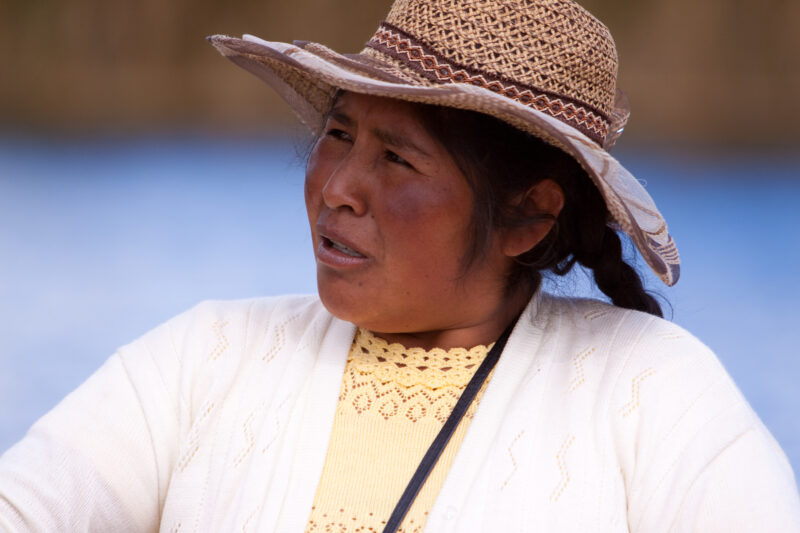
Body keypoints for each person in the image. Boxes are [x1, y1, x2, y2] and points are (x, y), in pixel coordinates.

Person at [1, 0, 799, 531]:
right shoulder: (203, 360)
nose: (337, 188)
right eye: (339, 134)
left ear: (528, 215)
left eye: (397, 159)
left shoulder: (655, 393)